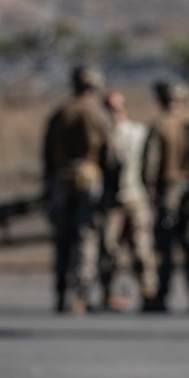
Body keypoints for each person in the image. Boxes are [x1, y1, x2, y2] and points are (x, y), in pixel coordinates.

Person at [42, 65, 114, 315]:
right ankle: (80, 294)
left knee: (62, 239)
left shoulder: (60, 112)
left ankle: (60, 293)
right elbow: (111, 154)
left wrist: (47, 185)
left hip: (61, 179)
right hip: (91, 178)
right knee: (86, 236)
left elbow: (47, 153)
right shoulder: (99, 114)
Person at [99, 91, 160, 312]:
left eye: (118, 106)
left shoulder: (139, 133)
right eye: (109, 107)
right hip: (111, 203)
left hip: (136, 199)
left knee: (142, 251)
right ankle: (108, 295)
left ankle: (149, 294)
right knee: (108, 249)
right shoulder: (101, 135)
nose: (114, 112)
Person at [143, 80, 189, 312]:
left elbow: (150, 163)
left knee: (165, 248)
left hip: (168, 191)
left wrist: (150, 189)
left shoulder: (159, 124)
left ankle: (161, 297)